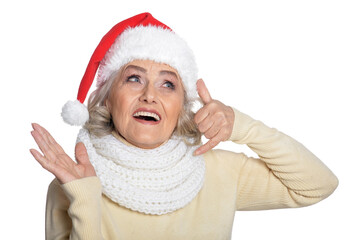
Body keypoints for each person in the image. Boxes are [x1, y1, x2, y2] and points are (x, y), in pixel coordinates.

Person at [30, 13, 338, 240]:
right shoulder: (72, 183)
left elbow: (317, 185)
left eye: (168, 84)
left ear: (182, 108)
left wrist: (242, 126)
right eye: (134, 78)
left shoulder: (219, 172)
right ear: (108, 99)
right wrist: (85, 198)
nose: (149, 95)